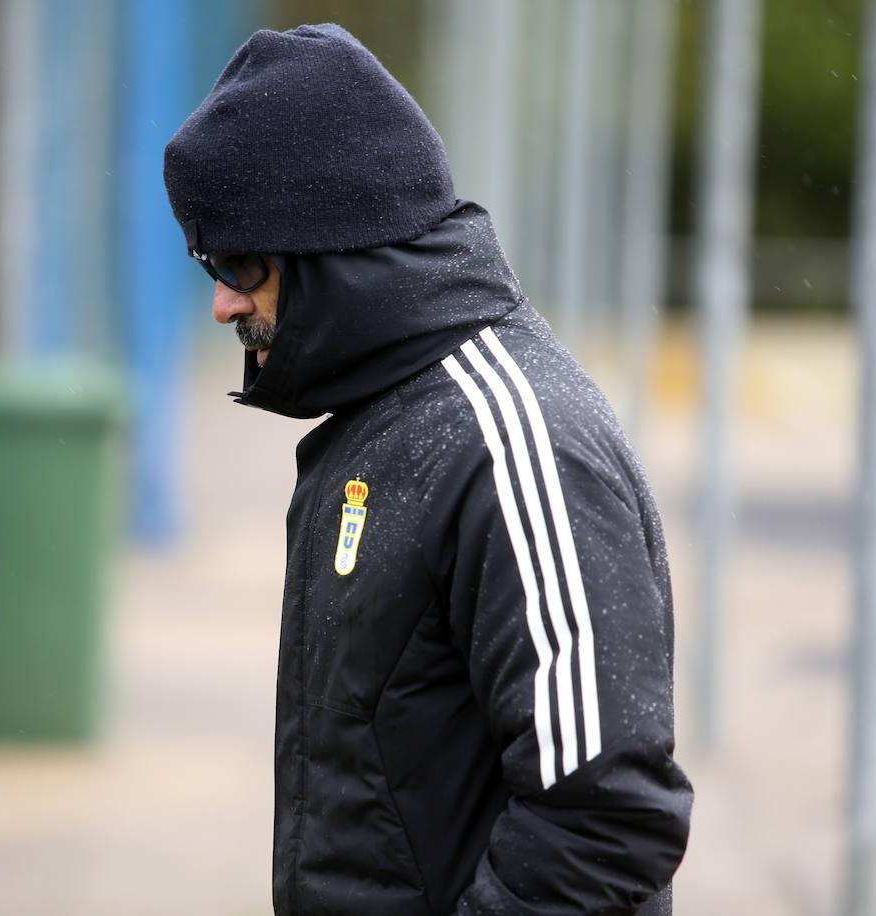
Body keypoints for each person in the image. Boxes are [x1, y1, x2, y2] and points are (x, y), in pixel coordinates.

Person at [164, 23, 692, 916]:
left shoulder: (515, 441)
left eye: (240, 262)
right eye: (207, 262)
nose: (223, 301)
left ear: (335, 241)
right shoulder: (385, 411)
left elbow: (606, 820)